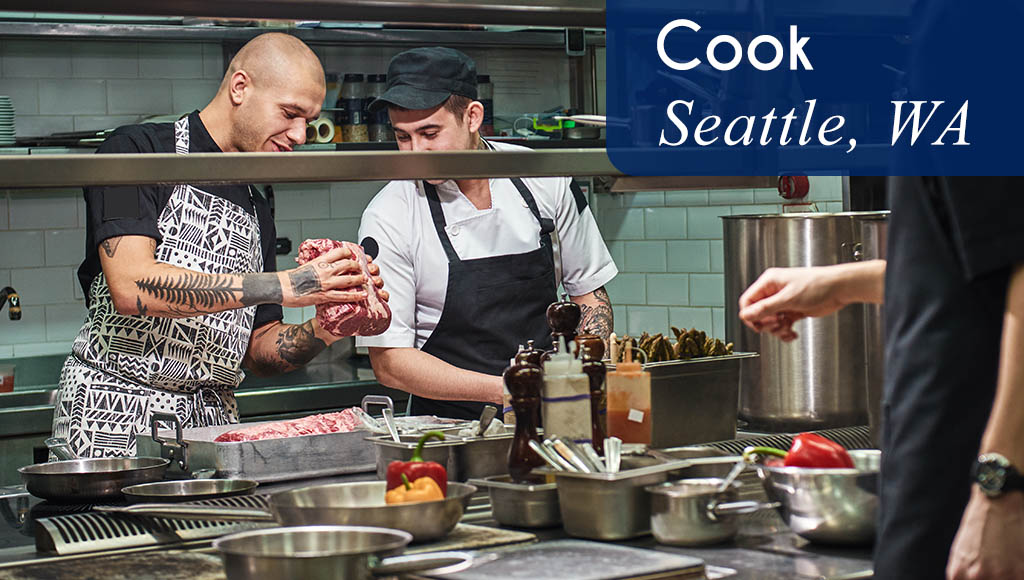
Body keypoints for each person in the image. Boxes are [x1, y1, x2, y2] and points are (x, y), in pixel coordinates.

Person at [52, 33, 387, 458]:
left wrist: (332, 324)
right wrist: (287, 284)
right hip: (112, 417)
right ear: (240, 87)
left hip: (212, 426)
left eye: (309, 119)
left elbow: (259, 350)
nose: (302, 134)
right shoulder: (136, 152)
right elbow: (131, 286)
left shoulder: (256, 203)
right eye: (290, 113)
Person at [737, 179, 1024, 579]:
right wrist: (840, 284)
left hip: (971, 475)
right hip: (939, 469)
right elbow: (960, 275)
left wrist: (1003, 489)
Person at [356, 47, 617, 420]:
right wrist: (509, 389)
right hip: (447, 430)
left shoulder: (542, 176)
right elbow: (390, 362)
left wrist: (583, 372)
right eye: (402, 137)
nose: (416, 152)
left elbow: (589, 295)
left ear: (473, 117)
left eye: (430, 133)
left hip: (556, 412)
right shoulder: (389, 214)